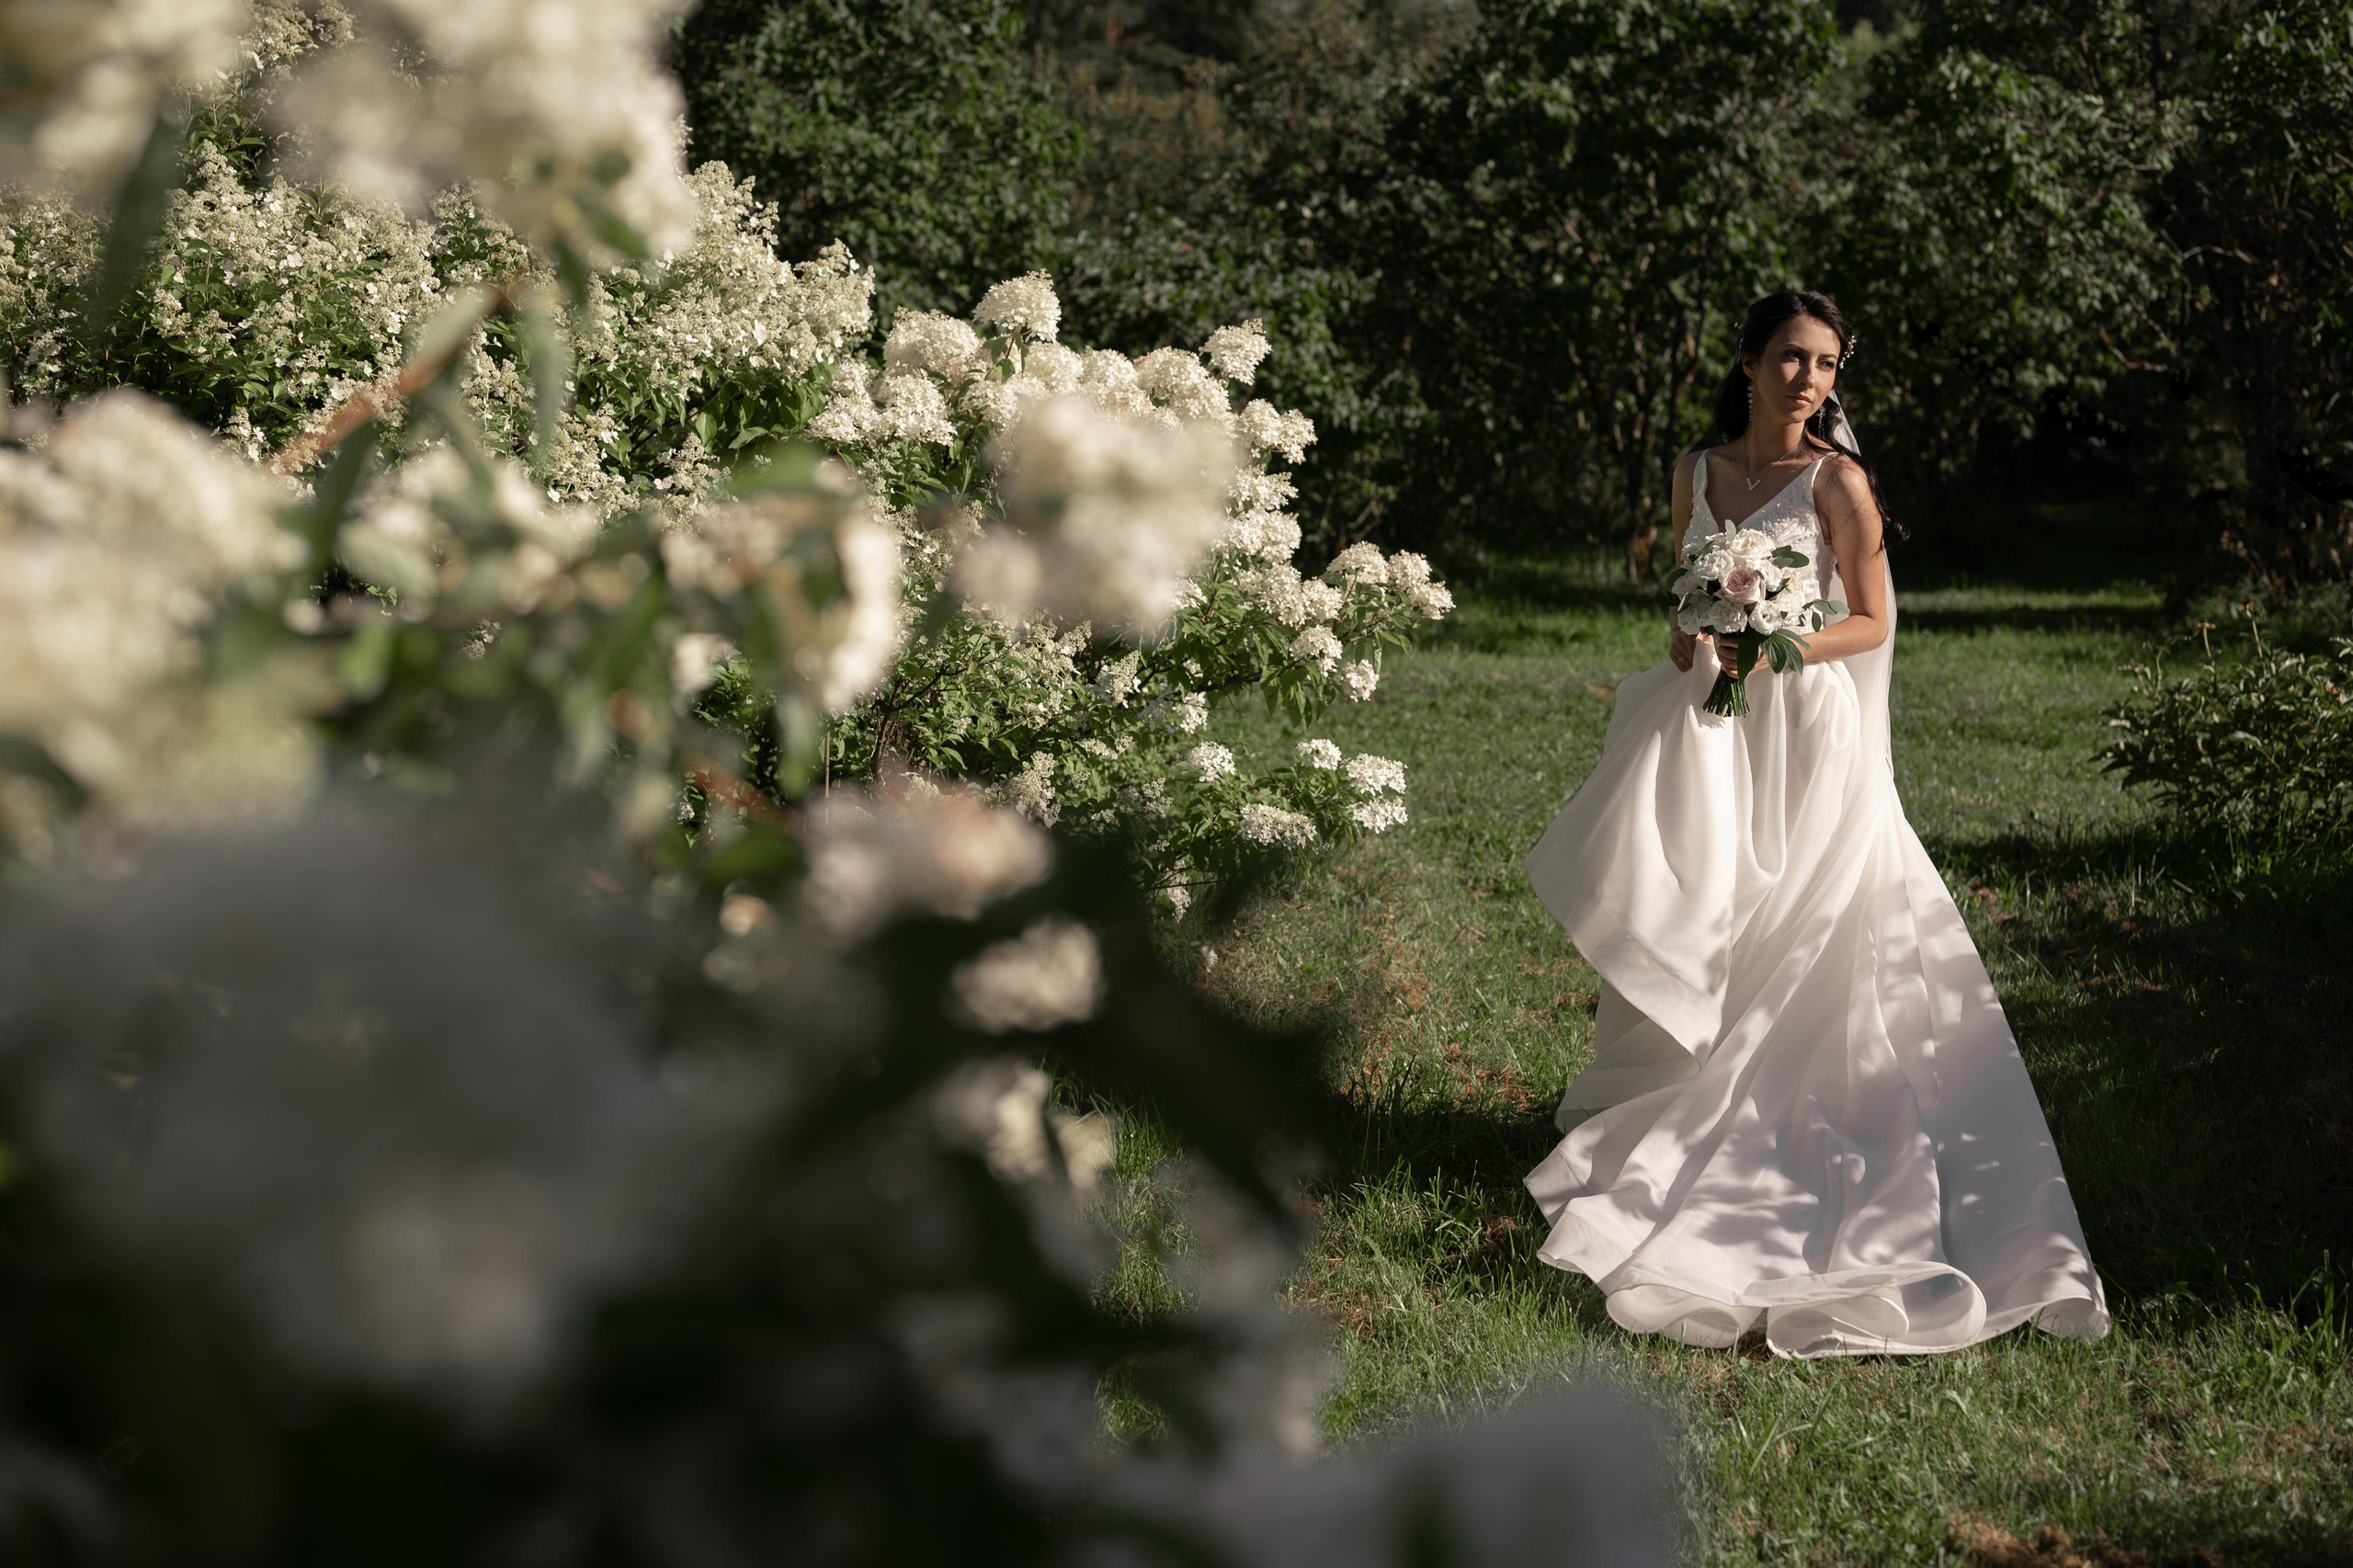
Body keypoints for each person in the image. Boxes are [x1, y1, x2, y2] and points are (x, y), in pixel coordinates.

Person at [1519, 291, 2109, 1358]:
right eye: (1791, 357)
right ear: (1747, 364)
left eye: (1826, 363)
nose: (1809, 379)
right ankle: (1684, 1079)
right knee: (1712, 906)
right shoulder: (1696, 471)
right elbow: (1685, 598)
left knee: (1801, 926)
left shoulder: (1840, 481)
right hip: (1712, 724)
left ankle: (1783, 1135)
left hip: (1804, 729)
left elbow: (1874, 617)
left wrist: (1780, 647)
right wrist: (1689, 637)